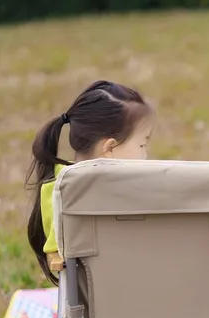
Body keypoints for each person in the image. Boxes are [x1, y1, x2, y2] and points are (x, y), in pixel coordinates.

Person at [26, 80, 154, 282]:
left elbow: (55, 253)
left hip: (92, 307)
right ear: (110, 148)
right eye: (142, 144)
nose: (145, 155)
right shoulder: (149, 191)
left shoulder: (58, 190)